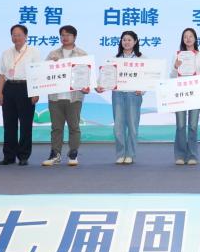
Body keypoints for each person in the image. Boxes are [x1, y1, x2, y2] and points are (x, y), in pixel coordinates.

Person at [42, 25, 90, 167]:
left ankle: (73, 154)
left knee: (74, 127)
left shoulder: (82, 54)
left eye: (68, 35)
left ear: (74, 37)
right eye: (62, 35)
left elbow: (87, 75)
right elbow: (43, 74)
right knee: (56, 128)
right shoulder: (52, 54)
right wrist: (51, 64)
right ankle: (55, 155)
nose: (65, 37)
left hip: (74, 97)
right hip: (55, 97)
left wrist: (87, 86)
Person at [97, 30, 144, 164]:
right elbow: (104, 77)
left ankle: (130, 154)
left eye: (129, 40)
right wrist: (100, 86)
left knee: (132, 126)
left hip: (134, 94)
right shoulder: (114, 59)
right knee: (118, 126)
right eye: (124, 40)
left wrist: (142, 90)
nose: (126, 42)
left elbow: (148, 78)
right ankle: (120, 153)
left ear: (135, 41)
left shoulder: (142, 59)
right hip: (117, 94)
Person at [0, 24, 37, 166]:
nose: (16, 37)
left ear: (26, 36)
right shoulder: (6, 53)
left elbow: (37, 74)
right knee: (9, 124)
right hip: (9, 88)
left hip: (26, 88)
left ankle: (23, 156)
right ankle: (9, 156)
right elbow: (1, 75)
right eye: (14, 35)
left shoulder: (33, 52)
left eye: (19, 35)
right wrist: (0, 93)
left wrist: (35, 92)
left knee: (26, 124)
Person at [172, 27, 200, 165]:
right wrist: (175, 67)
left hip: (195, 93)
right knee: (181, 125)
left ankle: (192, 155)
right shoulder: (178, 55)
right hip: (180, 93)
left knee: (193, 125)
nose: (188, 39)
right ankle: (180, 155)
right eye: (185, 37)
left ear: (195, 38)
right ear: (182, 40)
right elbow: (172, 77)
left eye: (190, 36)